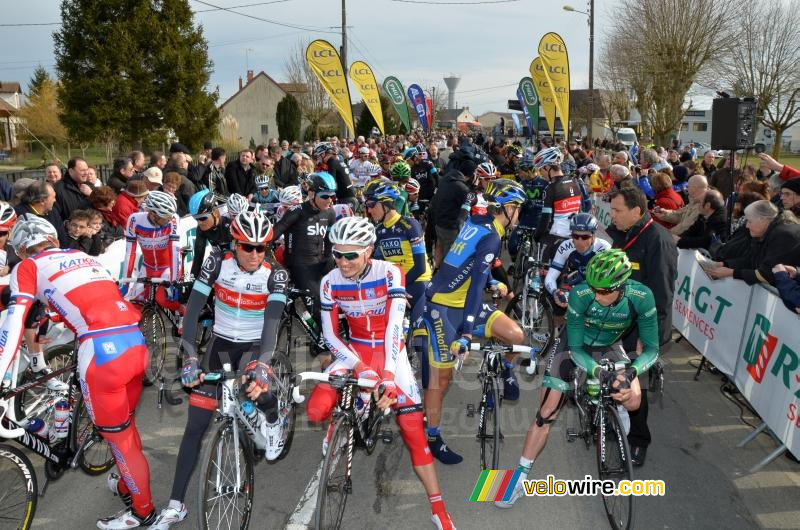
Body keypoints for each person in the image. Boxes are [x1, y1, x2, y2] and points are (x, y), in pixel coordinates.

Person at [0, 217, 156, 528]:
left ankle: (145, 514)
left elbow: (15, 319)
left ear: (21, 249)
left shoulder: (27, 267)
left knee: (120, 441)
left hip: (101, 354)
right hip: (136, 343)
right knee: (125, 432)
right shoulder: (83, 256)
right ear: (54, 239)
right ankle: (128, 487)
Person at [306, 216, 456, 530]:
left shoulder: (389, 273)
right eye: (337, 254)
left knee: (414, 432)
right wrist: (361, 368)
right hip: (355, 351)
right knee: (316, 409)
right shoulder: (330, 282)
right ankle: (343, 419)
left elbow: (393, 328)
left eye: (351, 255)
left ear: (369, 250)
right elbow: (331, 336)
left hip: (391, 352)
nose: (343, 262)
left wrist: (387, 374)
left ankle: (438, 509)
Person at [151, 210, 288, 529]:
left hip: (256, 344)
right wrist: (188, 357)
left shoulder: (276, 274)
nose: (255, 254)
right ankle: (175, 505)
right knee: (196, 424)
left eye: (261, 247)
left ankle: (273, 417)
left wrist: (263, 366)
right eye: (247, 247)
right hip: (221, 344)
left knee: (255, 383)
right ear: (234, 244)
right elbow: (193, 311)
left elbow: (272, 323)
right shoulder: (216, 261)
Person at [496, 249, 659, 508]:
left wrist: (630, 372)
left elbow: (651, 349)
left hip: (610, 345)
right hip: (573, 346)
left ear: (621, 286)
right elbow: (576, 349)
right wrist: (596, 371)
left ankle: (615, 407)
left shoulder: (641, 296)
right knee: (546, 411)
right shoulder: (582, 294)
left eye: (604, 291)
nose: (596, 295)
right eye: (594, 288)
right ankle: (518, 479)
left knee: (634, 401)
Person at [421, 179, 527, 464]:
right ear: (509, 209)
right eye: (519, 209)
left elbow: (467, 263)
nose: (520, 215)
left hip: (465, 300)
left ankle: (505, 370)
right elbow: (476, 280)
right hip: (443, 308)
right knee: (440, 382)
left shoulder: (481, 221)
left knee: (516, 336)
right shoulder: (491, 236)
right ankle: (431, 436)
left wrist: (493, 281)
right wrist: (467, 333)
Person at [606, 187, 677, 466]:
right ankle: (615, 423)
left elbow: (662, 294)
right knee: (612, 375)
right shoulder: (621, 234)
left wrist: (649, 338)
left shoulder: (658, 240)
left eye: (617, 211)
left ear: (637, 211)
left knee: (636, 385)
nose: (612, 216)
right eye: (610, 210)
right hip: (619, 322)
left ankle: (638, 441)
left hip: (643, 329)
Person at [270, 172, 337, 355]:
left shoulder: (330, 213)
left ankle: (328, 336)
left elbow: (330, 242)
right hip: (300, 267)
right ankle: (325, 343)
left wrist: (329, 263)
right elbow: (272, 235)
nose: (329, 200)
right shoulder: (297, 211)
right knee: (318, 306)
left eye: (332, 196)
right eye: (325, 196)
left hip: (322, 264)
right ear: (312, 194)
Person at [365, 183, 432, 353]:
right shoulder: (378, 231)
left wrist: (400, 288)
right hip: (396, 286)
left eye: (372, 205)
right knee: (387, 340)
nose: (369, 210)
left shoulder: (410, 225)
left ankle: (427, 379)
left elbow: (420, 267)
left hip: (417, 283)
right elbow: (377, 264)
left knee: (421, 343)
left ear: (386, 204)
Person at [705, 200, 800, 286]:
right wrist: (725, 264)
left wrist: (731, 272)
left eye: (749, 221)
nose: (746, 226)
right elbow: (752, 260)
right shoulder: (767, 231)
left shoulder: (784, 235)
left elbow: (768, 273)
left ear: (763, 220)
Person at [121, 191, 182, 310]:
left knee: (165, 299)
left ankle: (183, 316)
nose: (169, 220)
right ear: (153, 214)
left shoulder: (173, 219)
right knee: (133, 306)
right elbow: (130, 252)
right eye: (165, 218)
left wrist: (174, 283)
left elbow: (175, 251)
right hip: (147, 267)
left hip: (168, 268)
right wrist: (125, 283)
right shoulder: (135, 220)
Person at [544, 213, 611, 315]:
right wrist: (555, 292)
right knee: (557, 308)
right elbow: (550, 277)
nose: (579, 241)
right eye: (575, 236)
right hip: (575, 286)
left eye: (585, 237)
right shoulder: (565, 246)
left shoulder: (604, 249)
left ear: (593, 236)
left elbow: (606, 284)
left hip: (596, 289)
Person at [533, 146, 588, 262]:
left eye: (541, 169)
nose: (540, 173)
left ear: (548, 167)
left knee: (543, 272)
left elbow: (545, 219)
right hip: (575, 237)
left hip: (556, 238)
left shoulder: (551, 188)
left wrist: (537, 236)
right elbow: (582, 209)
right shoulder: (576, 182)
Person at [187, 190, 230, 280]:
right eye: (196, 219)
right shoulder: (201, 229)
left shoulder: (230, 225)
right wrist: (192, 280)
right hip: (220, 266)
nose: (199, 223)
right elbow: (198, 258)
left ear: (214, 212)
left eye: (203, 218)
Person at [14, 180, 68, 245]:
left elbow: (63, 239)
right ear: (42, 200)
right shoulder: (19, 215)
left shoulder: (53, 212)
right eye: (53, 197)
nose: (55, 200)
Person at [314, 142, 358, 211]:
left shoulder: (332, 163)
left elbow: (331, 184)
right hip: (348, 196)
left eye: (318, 156)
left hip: (346, 198)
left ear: (323, 154)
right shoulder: (336, 161)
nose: (318, 158)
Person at [54, 156, 93, 220]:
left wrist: (92, 194)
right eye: (82, 170)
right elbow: (56, 217)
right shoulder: (58, 189)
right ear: (71, 171)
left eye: (87, 170)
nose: (86, 173)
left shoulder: (90, 185)